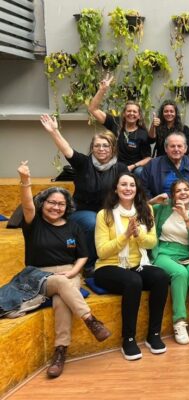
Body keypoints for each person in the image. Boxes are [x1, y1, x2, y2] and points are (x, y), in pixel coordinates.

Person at [11, 161, 111, 378]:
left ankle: (60, 352)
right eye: (51, 203)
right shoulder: (34, 223)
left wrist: (74, 272)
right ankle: (90, 319)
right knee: (61, 284)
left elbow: (83, 256)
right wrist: (25, 180)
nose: (56, 207)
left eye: (61, 204)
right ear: (43, 203)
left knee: (61, 301)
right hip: (38, 275)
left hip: (69, 272)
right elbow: (27, 205)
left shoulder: (74, 226)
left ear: (67, 207)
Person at [93, 172, 170, 361]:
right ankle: (128, 339)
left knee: (161, 277)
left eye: (132, 185)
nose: (128, 188)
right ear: (116, 189)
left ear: (137, 189)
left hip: (137, 264)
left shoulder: (146, 210)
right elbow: (102, 252)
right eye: (124, 184)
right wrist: (126, 235)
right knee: (133, 281)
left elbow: (151, 242)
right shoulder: (104, 215)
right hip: (108, 266)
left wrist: (138, 235)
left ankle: (154, 335)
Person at [41, 114, 128, 276]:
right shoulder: (83, 163)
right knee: (93, 222)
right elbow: (66, 149)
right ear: (92, 148)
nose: (101, 149)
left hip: (108, 211)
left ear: (112, 149)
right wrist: (54, 131)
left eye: (105, 146)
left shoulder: (121, 168)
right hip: (81, 212)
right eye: (97, 146)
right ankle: (89, 265)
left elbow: (129, 190)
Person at [150, 180, 189, 345]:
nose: (183, 193)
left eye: (186, 189)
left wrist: (186, 217)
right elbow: (140, 210)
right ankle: (179, 322)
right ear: (173, 195)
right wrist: (153, 201)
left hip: (188, 252)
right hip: (164, 251)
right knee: (180, 273)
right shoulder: (163, 208)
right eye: (178, 191)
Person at [88, 73, 152, 174]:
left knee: (140, 171)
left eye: (134, 112)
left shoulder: (142, 133)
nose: (131, 113)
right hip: (113, 167)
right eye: (129, 111)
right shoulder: (115, 123)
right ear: (124, 114)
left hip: (132, 170)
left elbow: (148, 158)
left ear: (139, 116)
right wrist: (102, 90)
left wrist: (132, 167)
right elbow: (93, 109)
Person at [140, 132, 189, 205]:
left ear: (185, 148)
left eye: (179, 146)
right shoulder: (153, 165)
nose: (176, 149)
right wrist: (154, 202)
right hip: (162, 206)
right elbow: (143, 187)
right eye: (172, 146)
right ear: (166, 148)